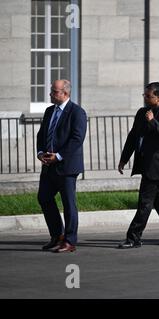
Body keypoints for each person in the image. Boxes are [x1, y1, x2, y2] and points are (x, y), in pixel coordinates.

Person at [117, 82, 159, 248]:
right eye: (145, 95)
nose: (146, 98)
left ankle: (133, 237)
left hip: (157, 166)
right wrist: (124, 158)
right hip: (145, 163)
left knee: (145, 202)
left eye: (149, 96)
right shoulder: (142, 113)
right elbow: (133, 136)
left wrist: (153, 121)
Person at [37, 79, 87, 253]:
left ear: (65, 93)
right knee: (44, 197)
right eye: (51, 91)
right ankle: (57, 235)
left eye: (54, 91)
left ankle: (70, 240)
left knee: (68, 204)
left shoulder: (77, 112)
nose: (51, 94)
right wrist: (40, 153)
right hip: (48, 166)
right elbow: (41, 134)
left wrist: (58, 156)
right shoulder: (49, 111)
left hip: (67, 166)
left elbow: (77, 139)